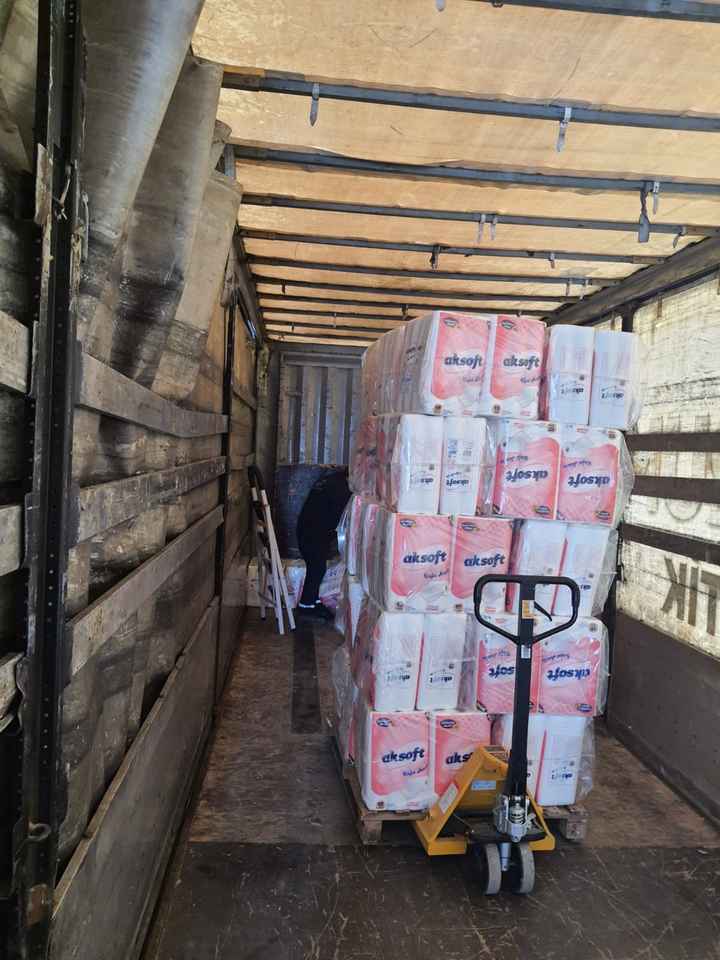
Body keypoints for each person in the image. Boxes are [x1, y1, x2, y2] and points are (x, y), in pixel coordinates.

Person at [296, 467, 351, 621]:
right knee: (317, 568)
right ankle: (306, 606)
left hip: (308, 529)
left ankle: (312, 601)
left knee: (317, 568)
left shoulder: (332, 480)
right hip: (313, 532)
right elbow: (342, 516)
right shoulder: (340, 488)